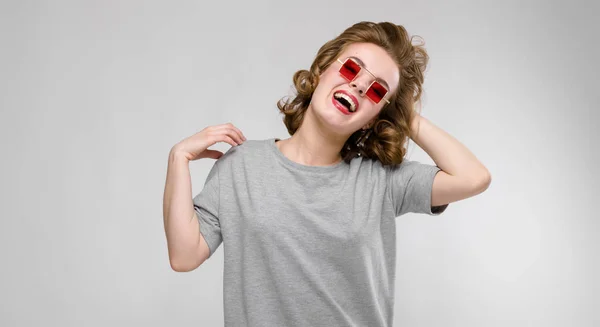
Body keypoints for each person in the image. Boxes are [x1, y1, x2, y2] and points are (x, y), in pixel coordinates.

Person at [163, 21, 491, 327]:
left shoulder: (382, 180)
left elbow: (472, 178)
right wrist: (178, 158)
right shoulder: (241, 165)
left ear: (373, 117)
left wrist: (402, 111)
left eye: (377, 91)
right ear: (321, 70)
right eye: (351, 68)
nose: (360, 85)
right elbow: (184, 254)